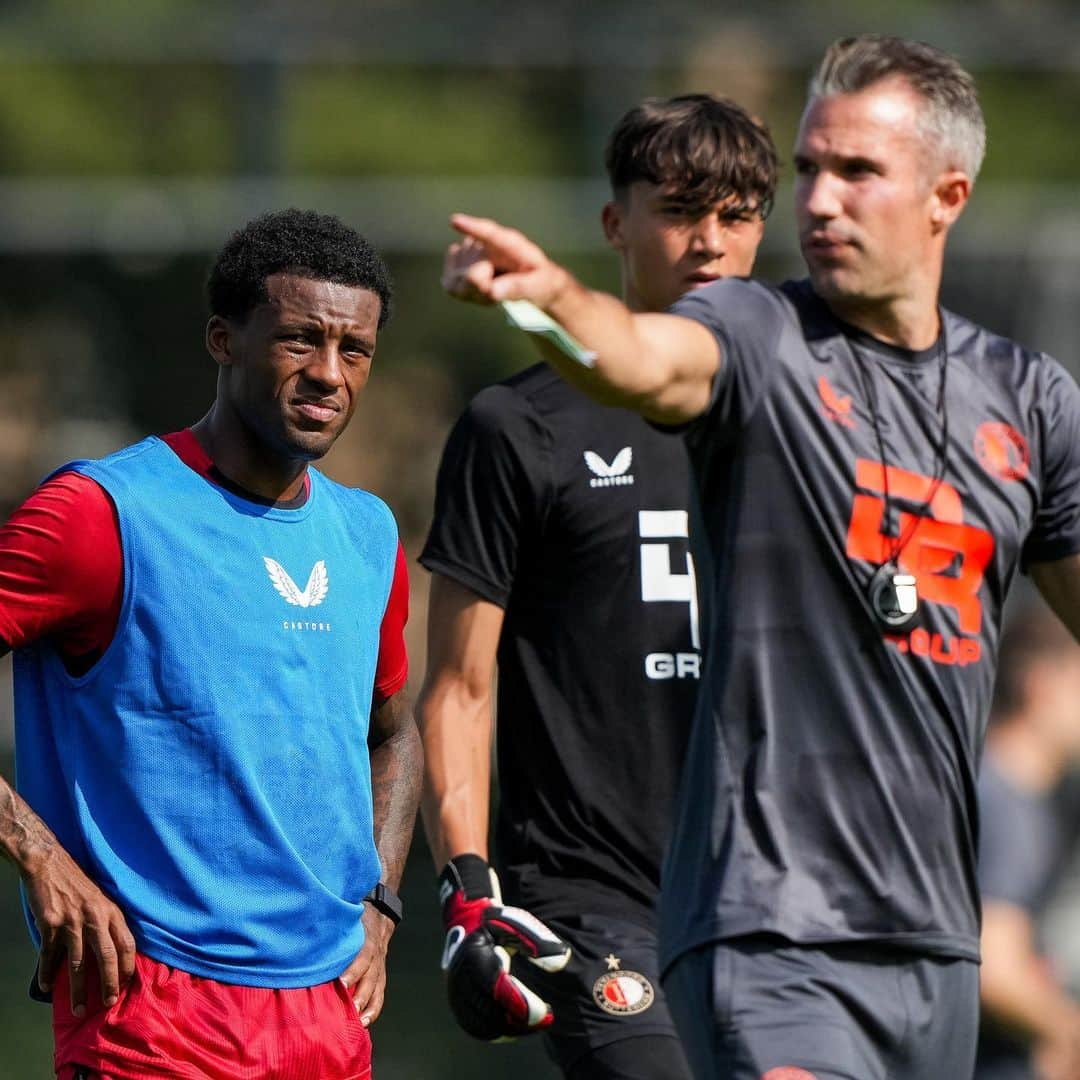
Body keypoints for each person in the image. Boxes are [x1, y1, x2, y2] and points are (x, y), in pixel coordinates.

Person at [441, 34, 1080, 1080]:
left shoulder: (1029, 400)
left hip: (936, 943)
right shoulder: (755, 338)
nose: (819, 200)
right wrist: (546, 298)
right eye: (815, 170)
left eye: (858, 172)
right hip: (762, 928)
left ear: (946, 196)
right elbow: (644, 354)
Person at [0, 208, 422, 1080]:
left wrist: (380, 902)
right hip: (150, 1006)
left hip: (328, 1014)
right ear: (223, 340)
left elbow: (393, 734)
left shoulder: (369, 536)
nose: (329, 376)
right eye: (300, 341)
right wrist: (39, 852)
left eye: (355, 351)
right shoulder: (99, 515)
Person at [418, 95, 777, 1079]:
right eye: (679, 209)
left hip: (778, 905)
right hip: (595, 900)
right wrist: (467, 884)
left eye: (738, 213)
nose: (709, 242)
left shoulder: (803, 425)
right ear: (616, 223)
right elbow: (458, 684)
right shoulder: (516, 427)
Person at [976, 601, 1080, 1080]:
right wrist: (1065, 1029)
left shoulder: (1017, 795)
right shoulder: (1005, 799)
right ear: (1042, 686)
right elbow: (993, 969)